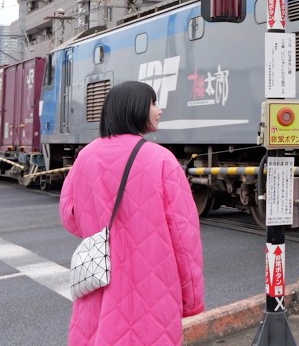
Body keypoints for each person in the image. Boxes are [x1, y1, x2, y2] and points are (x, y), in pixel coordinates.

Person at [59, 80, 204, 345]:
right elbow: (185, 239)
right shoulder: (161, 160)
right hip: (153, 294)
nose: (159, 110)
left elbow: (70, 217)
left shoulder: (85, 156)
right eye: (153, 103)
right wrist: (192, 299)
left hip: (97, 287)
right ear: (135, 108)